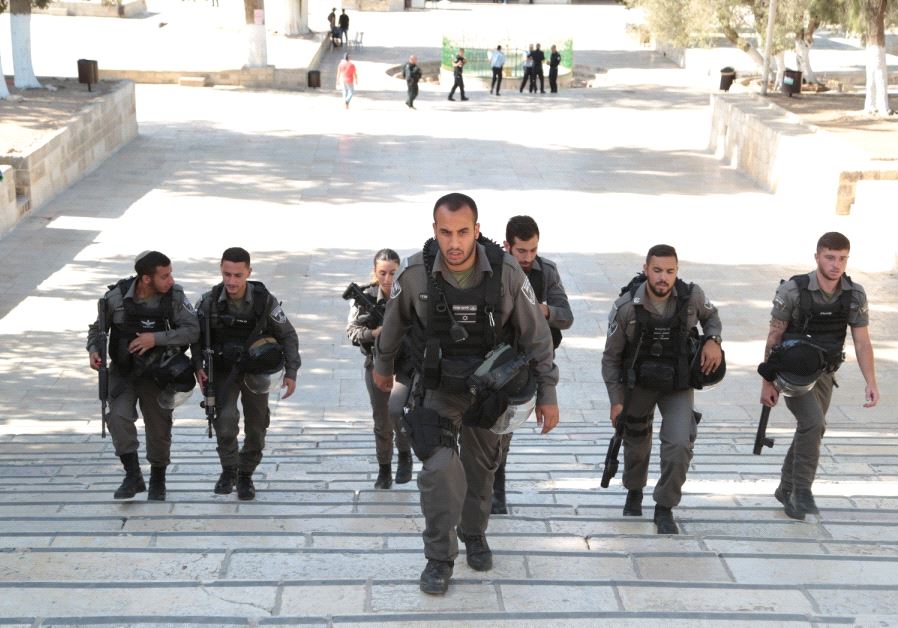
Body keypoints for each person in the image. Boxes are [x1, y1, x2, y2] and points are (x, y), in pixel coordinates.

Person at [373, 193, 559, 595]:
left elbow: (537, 335)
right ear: (434, 231)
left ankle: (473, 533)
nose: (454, 243)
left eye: (462, 232)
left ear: (476, 230)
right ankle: (439, 558)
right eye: (445, 233)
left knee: (480, 470)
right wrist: (382, 367)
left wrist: (548, 392)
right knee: (439, 470)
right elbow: (393, 325)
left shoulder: (507, 272)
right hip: (439, 388)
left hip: (490, 390)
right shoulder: (415, 274)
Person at [601, 244, 723, 535]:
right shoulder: (626, 307)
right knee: (635, 441)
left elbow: (712, 317)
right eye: (657, 270)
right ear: (645, 269)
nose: (663, 278)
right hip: (638, 384)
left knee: (679, 444)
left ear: (677, 271)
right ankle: (634, 490)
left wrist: (713, 340)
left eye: (670, 271)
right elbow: (610, 359)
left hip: (677, 383)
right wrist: (616, 401)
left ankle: (664, 506)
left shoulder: (692, 296)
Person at [759, 232, 878, 520]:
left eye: (842, 259)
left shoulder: (854, 294)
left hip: (825, 372)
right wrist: (767, 382)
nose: (836, 265)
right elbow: (774, 336)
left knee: (812, 428)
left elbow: (862, 342)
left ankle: (785, 487)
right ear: (817, 257)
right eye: (830, 257)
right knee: (813, 423)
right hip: (792, 372)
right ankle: (801, 493)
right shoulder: (792, 290)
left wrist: (871, 382)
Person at [87, 251, 199, 501]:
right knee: (117, 418)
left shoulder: (175, 297)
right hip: (123, 371)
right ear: (147, 279)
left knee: (158, 427)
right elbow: (97, 329)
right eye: (164, 276)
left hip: (158, 372)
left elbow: (193, 330)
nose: (171, 280)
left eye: (170, 274)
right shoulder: (116, 297)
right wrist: (94, 351)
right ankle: (132, 475)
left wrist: (155, 339)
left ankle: (158, 477)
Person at [193, 247, 301, 501]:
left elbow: (287, 334)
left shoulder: (264, 301)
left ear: (249, 272)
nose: (231, 281)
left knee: (257, 426)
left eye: (238, 275)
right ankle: (229, 469)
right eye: (226, 274)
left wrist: (291, 371)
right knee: (225, 421)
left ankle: (245, 474)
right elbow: (195, 337)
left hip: (256, 370)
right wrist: (198, 365)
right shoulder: (209, 302)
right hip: (224, 371)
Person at [491, 215, 573, 514]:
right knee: (493, 426)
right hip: (497, 358)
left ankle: (496, 484)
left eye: (533, 250)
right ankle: (489, 484)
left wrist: (541, 310)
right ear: (507, 246)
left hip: (528, 359)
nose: (527, 258)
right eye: (521, 251)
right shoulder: (494, 268)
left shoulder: (545, 271)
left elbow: (566, 316)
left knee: (505, 427)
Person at [346, 250, 415, 489]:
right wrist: (374, 333)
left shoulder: (408, 294)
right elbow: (352, 331)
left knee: (399, 413)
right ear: (375, 273)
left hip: (405, 365)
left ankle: (405, 454)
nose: (387, 279)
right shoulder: (364, 297)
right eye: (382, 273)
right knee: (382, 420)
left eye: (393, 273)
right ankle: (384, 468)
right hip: (376, 363)